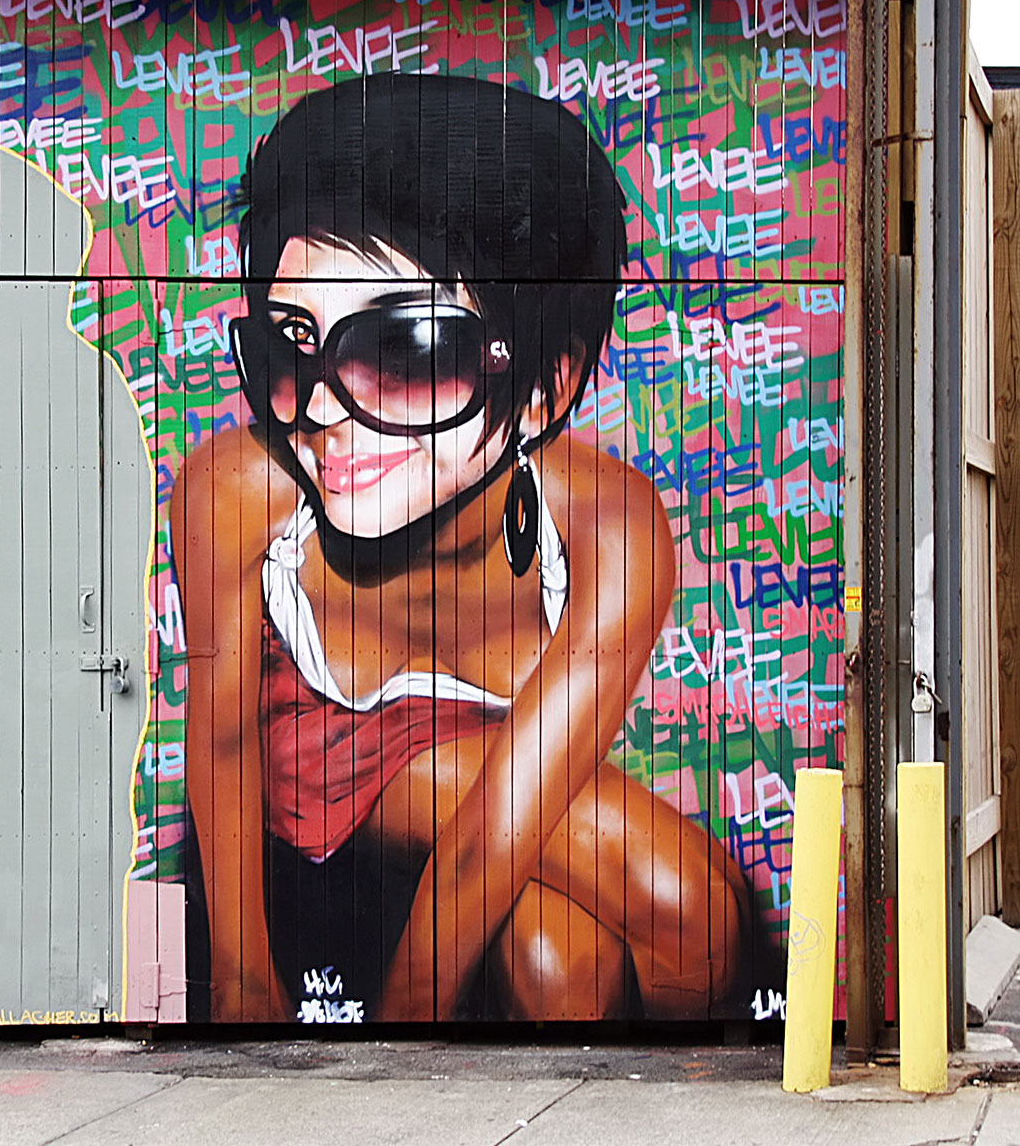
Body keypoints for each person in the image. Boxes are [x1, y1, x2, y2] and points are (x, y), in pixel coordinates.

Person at [172, 73, 749, 1023]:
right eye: (290, 344)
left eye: (401, 351)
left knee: (566, 964)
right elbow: (226, 741)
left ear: (544, 389)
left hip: (499, 790)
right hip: (315, 772)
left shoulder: (610, 530)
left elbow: (507, 817)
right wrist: (245, 989)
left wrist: (398, 1051)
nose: (319, 408)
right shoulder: (236, 495)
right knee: (688, 905)